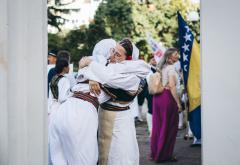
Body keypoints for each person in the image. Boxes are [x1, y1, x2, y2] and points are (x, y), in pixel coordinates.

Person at [81, 38, 150, 165]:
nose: (112, 55)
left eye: (117, 54)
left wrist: (91, 67)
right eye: (112, 50)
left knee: (119, 153)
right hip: (102, 115)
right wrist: (92, 79)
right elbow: (83, 68)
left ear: (127, 59)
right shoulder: (107, 65)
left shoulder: (133, 77)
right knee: (101, 151)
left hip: (120, 118)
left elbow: (108, 77)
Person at [150, 48, 182, 162]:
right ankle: (165, 154)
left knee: (158, 126)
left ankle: (156, 152)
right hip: (167, 98)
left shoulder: (161, 68)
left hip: (157, 98)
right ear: (169, 57)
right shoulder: (171, 69)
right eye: (176, 54)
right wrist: (178, 103)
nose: (177, 55)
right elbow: (172, 87)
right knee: (169, 127)